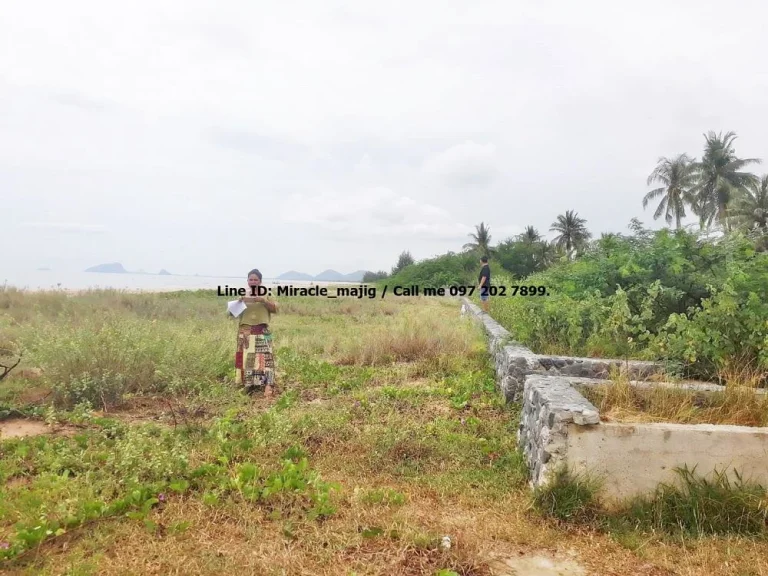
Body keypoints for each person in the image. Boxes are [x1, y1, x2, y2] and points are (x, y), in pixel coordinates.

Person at [233, 269, 279, 397]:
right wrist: (239, 302)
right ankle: (248, 384)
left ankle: (268, 386)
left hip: (263, 329)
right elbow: (232, 313)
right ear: (247, 281)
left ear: (260, 281)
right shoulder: (242, 293)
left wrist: (264, 301)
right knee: (247, 359)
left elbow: (276, 308)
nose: (253, 282)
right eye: (250, 279)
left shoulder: (267, 293)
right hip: (245, 330)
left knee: (267, 358)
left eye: (255, 279)